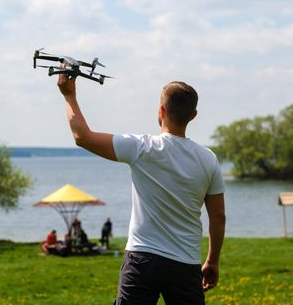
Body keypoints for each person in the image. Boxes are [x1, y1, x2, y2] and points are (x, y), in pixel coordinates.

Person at [57, 73, 226, 305]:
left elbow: (82, 137)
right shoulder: (209, 159)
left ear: (161, 111)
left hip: (141, 259)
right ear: (193, 116)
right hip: (185, 264)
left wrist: (69, 96)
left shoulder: (142, 148)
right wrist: (212, 261)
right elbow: (218, 217)